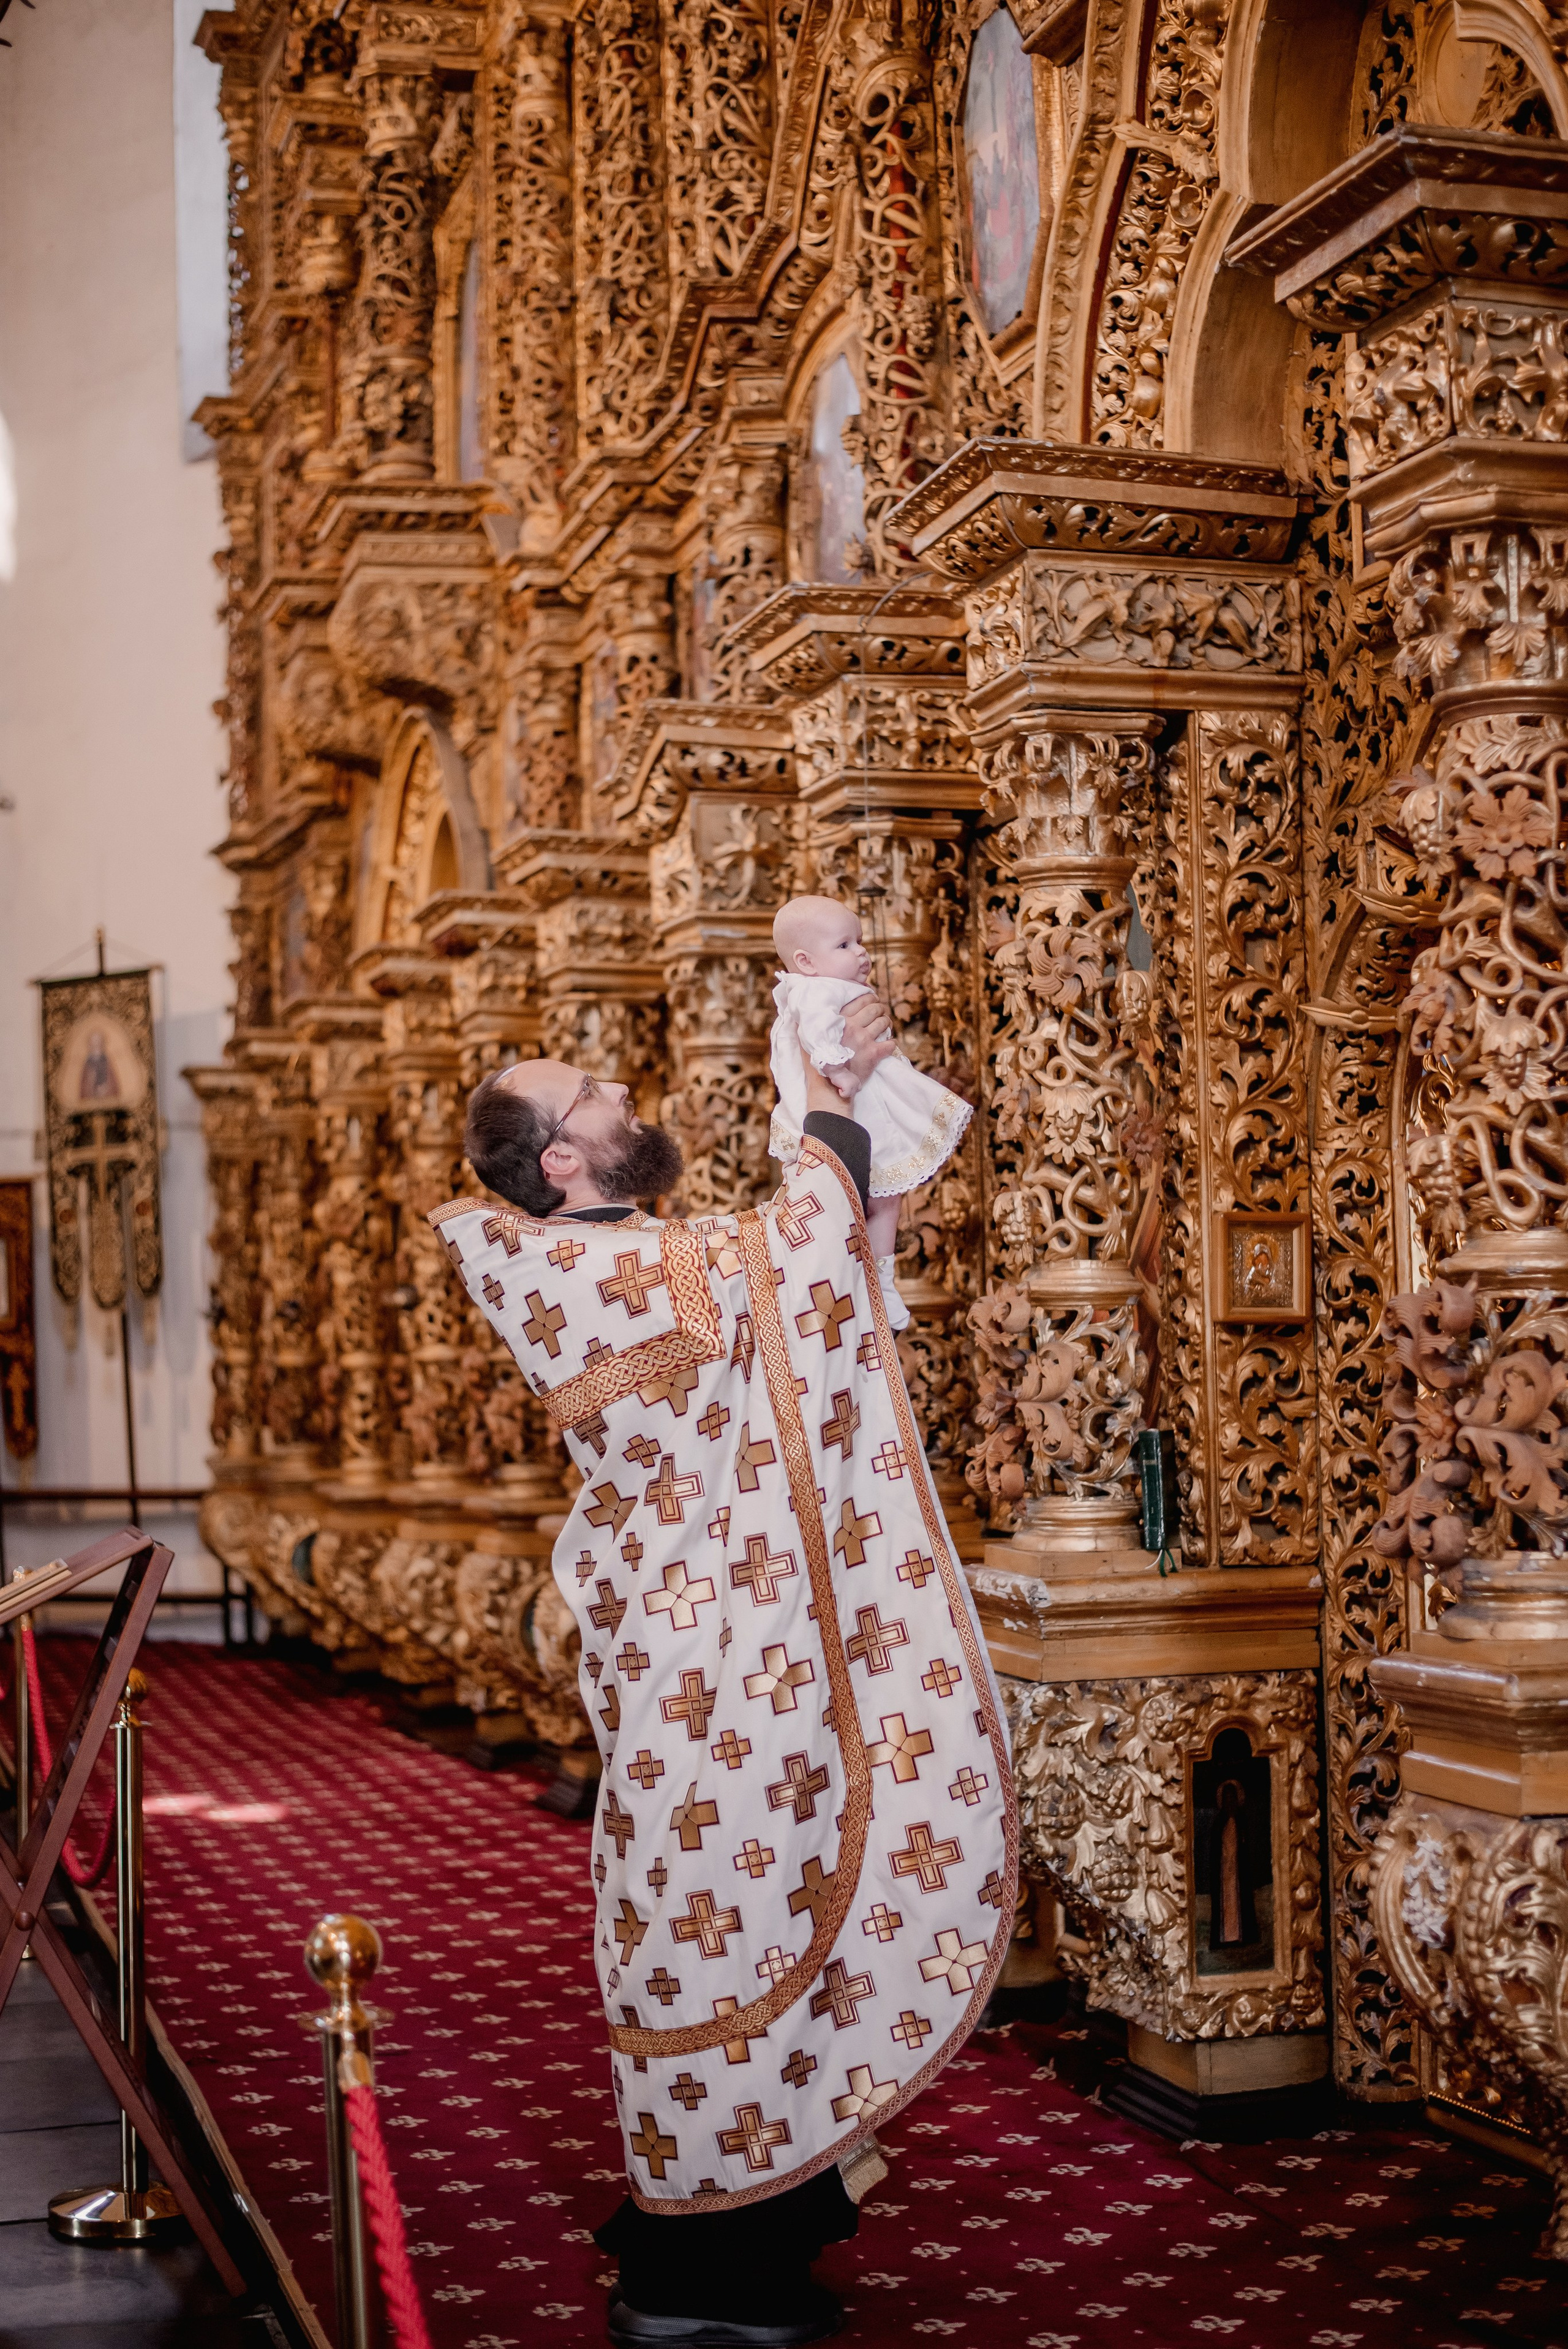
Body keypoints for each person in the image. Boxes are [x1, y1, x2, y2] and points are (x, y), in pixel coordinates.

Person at [435, 992, 1015, 2349]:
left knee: (777, 1884)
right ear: (555, 1159)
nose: (620, 1095)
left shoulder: (642, 1247)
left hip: (747, 1644)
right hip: (694, 1660)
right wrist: (815, 1091)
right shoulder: (552, 1269)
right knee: (717, 1914)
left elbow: (810, 1294)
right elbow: (788, 1256)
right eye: (590, 1095)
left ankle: (754, 2221)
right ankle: (699, 2266)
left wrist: (846, 1146)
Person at [767, 898, 971, 1333]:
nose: (861, 952)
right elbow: (817, 1033)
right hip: (853, 1102)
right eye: (844, 944)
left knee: (886, 1198)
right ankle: (869, 1280)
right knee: (860, 1201)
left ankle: (881, 1279)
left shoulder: (825, 985)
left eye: (859, 940)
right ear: (805, 961)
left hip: (867, 1099)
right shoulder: (812, 989)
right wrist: (841, 1070)